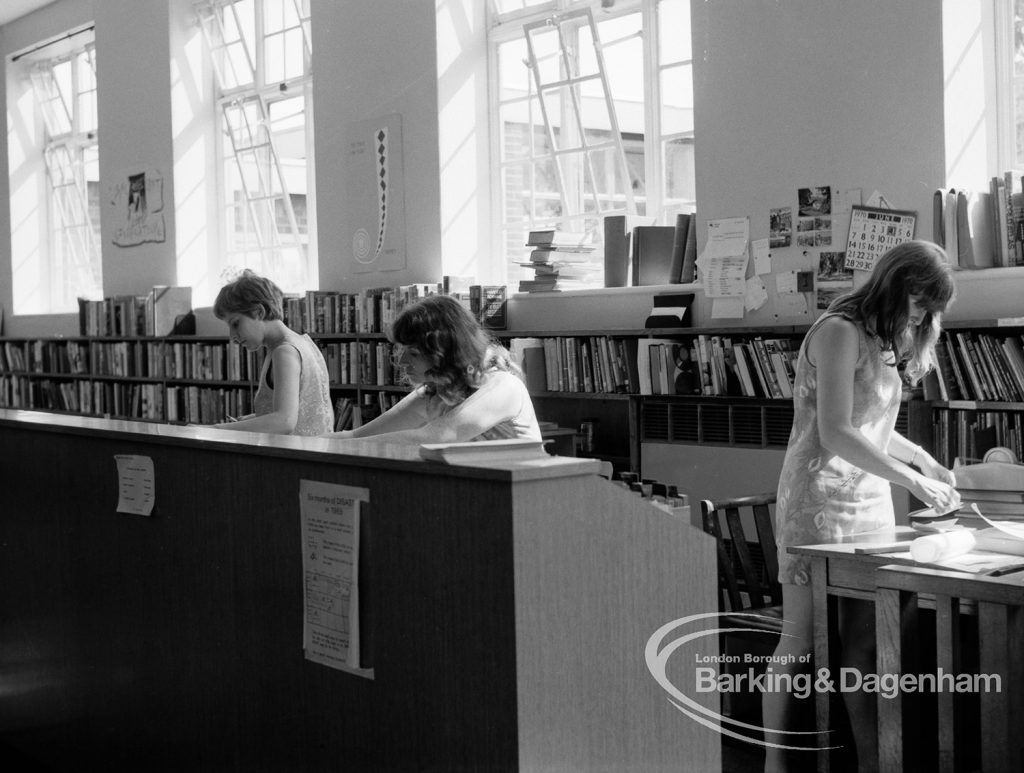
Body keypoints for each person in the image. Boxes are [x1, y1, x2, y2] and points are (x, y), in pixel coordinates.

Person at [763, 240, 960, 773]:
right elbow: (835, 431)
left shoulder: (880, 338)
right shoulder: (838, 332)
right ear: (896, 285)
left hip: (867, 502)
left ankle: (873, 761)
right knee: (800, 638)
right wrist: (912, 483)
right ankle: (773, 764)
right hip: (818, 502)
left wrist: (925, 462)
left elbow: (877, 427)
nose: (921, 317)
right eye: (919, 302)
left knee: (863, 648)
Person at [325, 294, 540, 444]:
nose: (401, 362)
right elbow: (356, 437)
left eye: (414, 353)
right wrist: (297, 443)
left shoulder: (504, 387)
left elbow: (433, 438)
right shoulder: (437, 391)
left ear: (445, 354)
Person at [209, 269, 333, 436]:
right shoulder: (305, 342)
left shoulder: (284, 352)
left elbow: (284, 422)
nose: (232, 336)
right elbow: (304, 410)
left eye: (236, 324)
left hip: (299, 457)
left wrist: (216, 430)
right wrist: (253, 420)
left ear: (259, 312)